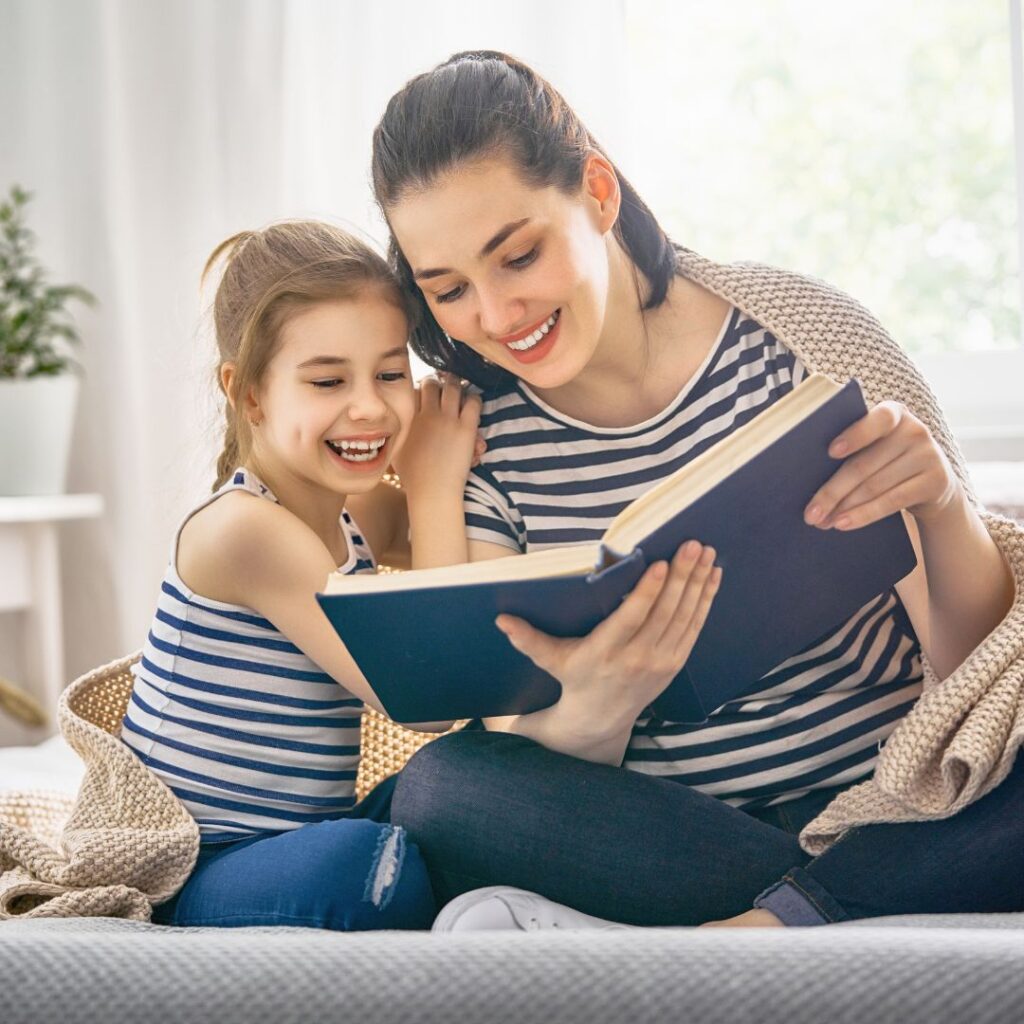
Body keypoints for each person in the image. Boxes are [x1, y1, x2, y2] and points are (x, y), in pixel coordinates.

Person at [368, 50, 1024, 930]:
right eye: (448, 290)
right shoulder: (480, 440)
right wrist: (600, 710)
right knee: (442, 791)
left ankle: (778, 922)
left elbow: (981, 676)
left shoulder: (803, 342)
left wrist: (940, 510)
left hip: (900, 798)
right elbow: (520, 747)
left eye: (518, 256)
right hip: (680, 842)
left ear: (598, 193)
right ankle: (827, 904)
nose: (495, 315)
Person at [119, 220, 482, 930]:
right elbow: (429, 694)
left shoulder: (351, 514)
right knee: (364, 862)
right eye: (326, 380)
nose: (371, 407)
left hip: (303, 835)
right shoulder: (244, 532)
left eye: (389, 373)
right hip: (207, 865)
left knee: (476, 781)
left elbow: (454, 546)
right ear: (249, 394)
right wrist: (434, 485)